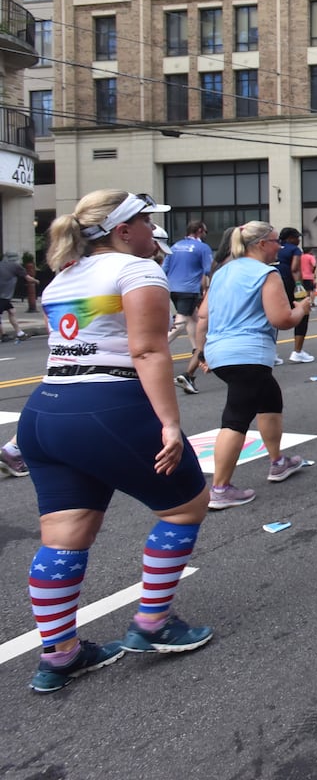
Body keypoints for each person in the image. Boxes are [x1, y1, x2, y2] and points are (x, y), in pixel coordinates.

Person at [17, 190, 213, 693]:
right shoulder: (137, 270)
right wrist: (170, 423)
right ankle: (153, 623)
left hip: (45, 411)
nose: (154, 232)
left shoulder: (65, 274)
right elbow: (147, 352)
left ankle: (59, 654)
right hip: (108, 406)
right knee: (186, 506)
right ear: (123, 231)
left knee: (63, 535)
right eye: (148, 223)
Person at [195, 222, 312, 509]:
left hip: (221, 352)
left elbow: (203, 314)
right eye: (275, 241)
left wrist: (201, 352)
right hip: (249, 353)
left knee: (270, 398)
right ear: (261, 244)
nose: (279, 247)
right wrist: (302, 309)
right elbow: (281, 319)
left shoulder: (222, 272)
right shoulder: (265, 273)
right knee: (235, 419)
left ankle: (278, 461)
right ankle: (220, 489)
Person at [164, 221, 212, 395]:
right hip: (189, 289)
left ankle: (197, 353)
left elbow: (165, 267)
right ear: (200, 231)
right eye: (205, 231)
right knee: (182, 323)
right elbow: (209, 270)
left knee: (195, 320)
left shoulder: (175, 246)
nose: (206, 234)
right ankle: (157, 346)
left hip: (172, 288)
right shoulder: (202, 248)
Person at [276, 228, 313, 362]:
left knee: (272, 316)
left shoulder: (275, 247)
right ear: (290, 238)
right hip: (289, 283)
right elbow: (295, 268)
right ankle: (297, 351)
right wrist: (299, 286)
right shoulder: (294, 249)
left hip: (272, 282)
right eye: (297, 237)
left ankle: (271, 353)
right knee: (303, 312)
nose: (299, 240)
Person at [0, 252, 34, 341]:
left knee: (12, 311)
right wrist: (36, 281)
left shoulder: (1, 264)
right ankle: (3, 335)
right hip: (3, 296)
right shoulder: (15, 266)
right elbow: (28, 278)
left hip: (5, 296)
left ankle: (20, 333)